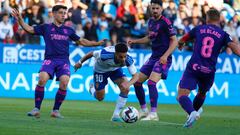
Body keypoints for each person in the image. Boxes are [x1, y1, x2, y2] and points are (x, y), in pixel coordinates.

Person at [11, 5, 106, 118]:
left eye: (64, 13)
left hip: (63, 61)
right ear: (54, 14)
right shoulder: (45, 27)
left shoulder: (68, 30)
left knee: (64, 82)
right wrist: (20, 19)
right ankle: (36, 109)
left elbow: (81, 41)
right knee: (42, 79)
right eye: (61, 12)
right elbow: (29, 29)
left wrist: (96, 44)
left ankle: (55, 111)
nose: (63, 15)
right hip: (50, 60)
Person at [177, 8, 240, 128]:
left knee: (182, 94)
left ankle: (192, 112)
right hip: (209, 71)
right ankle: (192, 115)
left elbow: (183, 38)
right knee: (202, 93)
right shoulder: (223, 34)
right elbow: (234, 47)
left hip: (194, 67)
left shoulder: (199, 29)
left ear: (207, 18)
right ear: (219, 20)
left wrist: (180, 43)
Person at [128, 0, 178, 121]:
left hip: (163, 58)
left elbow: (175, 41)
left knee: (151, 83)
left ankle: (154, 113)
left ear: (161, 9)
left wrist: (165, 56)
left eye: (157, 8)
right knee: (137, 81)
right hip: (153, 57)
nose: (155, 10)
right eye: (153, 8)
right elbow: (150, 37)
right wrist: (135, 41)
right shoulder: (150, 21)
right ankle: (144, 109)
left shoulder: (166, 22)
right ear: (150, 8)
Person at [74, 43, 139, 122]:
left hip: (115, 70)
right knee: (100, 98)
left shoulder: (128, 59)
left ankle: (115, 115)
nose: (123, 59)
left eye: (124, 56)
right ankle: (92, 89)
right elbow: (91, 53)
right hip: (100, 71)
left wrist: (128, 84)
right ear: (115, 53)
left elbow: (136, 76)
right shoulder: (104, 54)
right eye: (120, 57)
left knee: (126, 89)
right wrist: (80, 62)